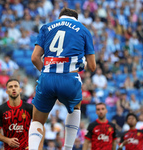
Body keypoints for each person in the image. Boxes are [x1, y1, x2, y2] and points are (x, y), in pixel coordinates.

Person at [28, 7, 96, 150]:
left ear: (60, 17)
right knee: (76, 108)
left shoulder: (47, 27)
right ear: (76, 19)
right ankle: (67, 147)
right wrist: (81, 64)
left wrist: (47, 72)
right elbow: (93, 66)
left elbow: (34, 58)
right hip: (69, 79)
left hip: (47, 78)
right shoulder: (83, 30)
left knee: (38, 120)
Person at [0, 79, 44, 150]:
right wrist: (7, 140)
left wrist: (40, 147)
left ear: (20, 90)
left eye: (16, 86)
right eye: (10, 87)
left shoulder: (29, 108)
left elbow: (41, 126)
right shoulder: (1, 109)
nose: (13, 88)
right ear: (7, 91)